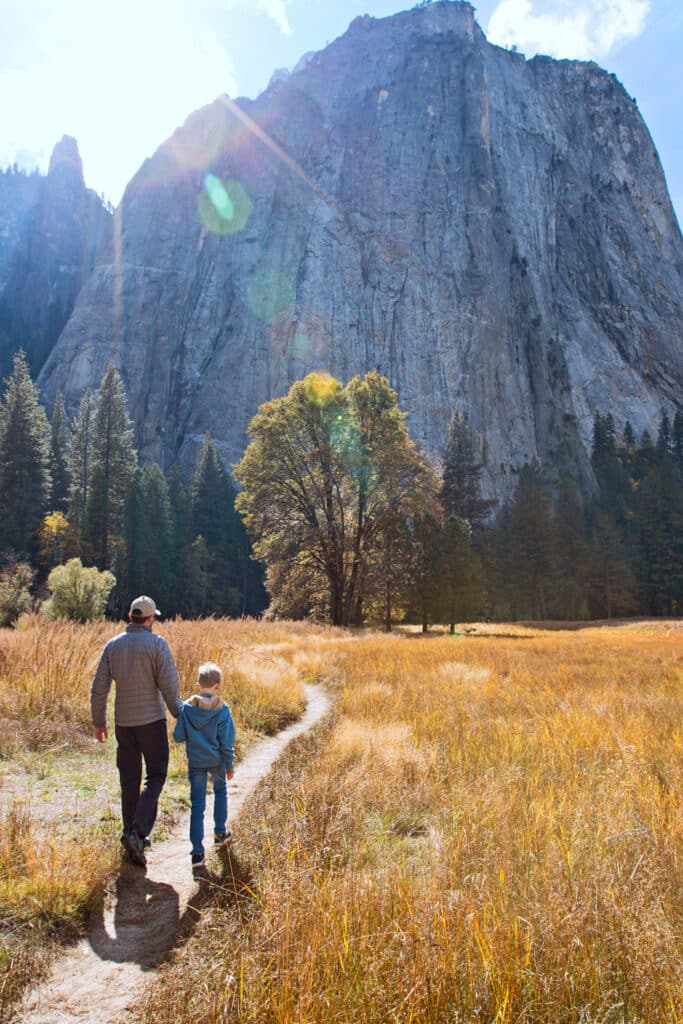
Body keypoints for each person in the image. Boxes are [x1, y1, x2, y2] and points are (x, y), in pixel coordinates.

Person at [91, 595, 182, 867]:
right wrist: (181, 715)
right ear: (150, 619)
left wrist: (99, 721)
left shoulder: (113, 646)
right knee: (156, 775)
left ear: (131, 617)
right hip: (152, 722)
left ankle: (129, 834)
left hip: (124, 723)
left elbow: (99, 688)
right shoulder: (157, 644)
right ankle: (138, 832)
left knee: (129, 779)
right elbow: (170, 686)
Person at [173, 662, 236, 868]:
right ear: (217, 686)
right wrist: (229, 765)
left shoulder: (187, 709)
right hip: (217, 761)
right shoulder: (223, 710)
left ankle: (197, 853)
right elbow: (227, 742)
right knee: (220, 792)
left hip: (196, 762)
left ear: (198, 684)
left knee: (197, 805)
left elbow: (178, 736)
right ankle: (219, 832)